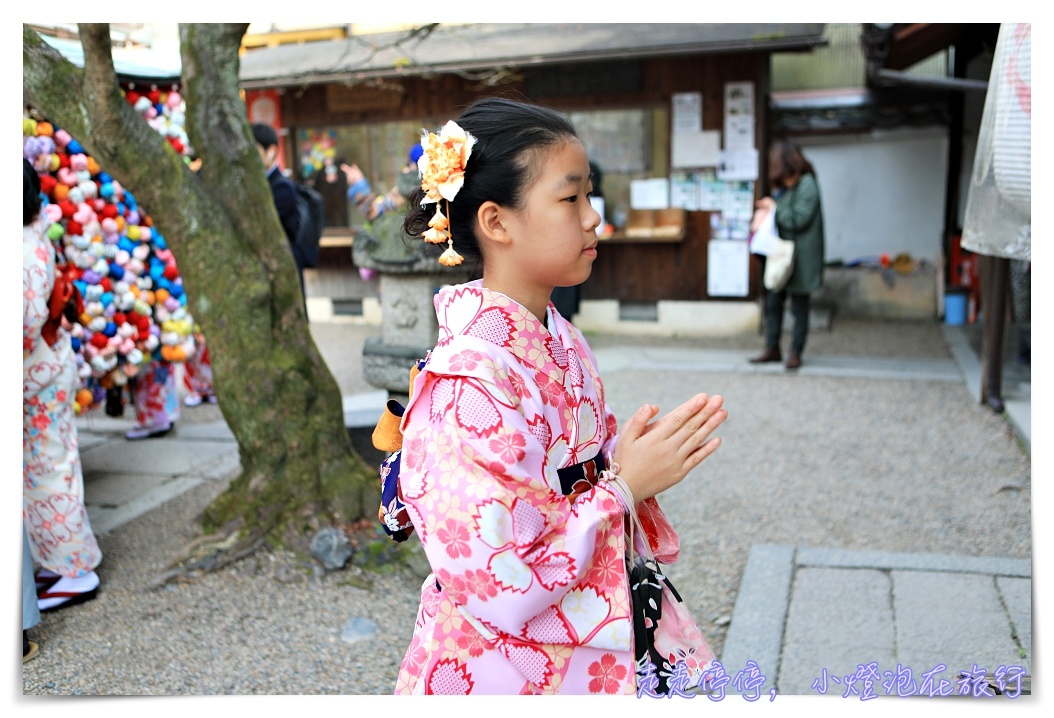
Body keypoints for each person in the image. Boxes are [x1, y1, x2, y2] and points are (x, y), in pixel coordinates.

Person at [390, 97, 727, 694]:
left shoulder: (560, 336)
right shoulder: (467, 380)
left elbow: (567, 481)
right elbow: (497, 572)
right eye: (571, 199)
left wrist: (617, 463)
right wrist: (622, 488)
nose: (594, 217)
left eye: (588, 196)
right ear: (497, 222)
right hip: (499, 658)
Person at [23, 158, 103, 612]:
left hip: (36, 371)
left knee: (49, 468)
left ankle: (75, 570)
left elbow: (22, 324)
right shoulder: (31, 238)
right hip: (42, 368)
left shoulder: (23, 248)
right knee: (46, 467)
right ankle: (61, 561)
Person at [749, 138, 825, 370]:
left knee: (799, 306)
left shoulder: (807, 184)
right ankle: (772, 347)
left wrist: (775, 208)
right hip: (781, 256)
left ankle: (795, 352)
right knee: (773, 302)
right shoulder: (786, 187)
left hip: (801, 259)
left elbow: (799, 219)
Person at [251, 122, 304, 301]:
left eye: (254, 150)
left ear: (271, 150)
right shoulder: (263, 185)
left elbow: (260, 227)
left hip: (285, 272)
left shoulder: (282, 188)